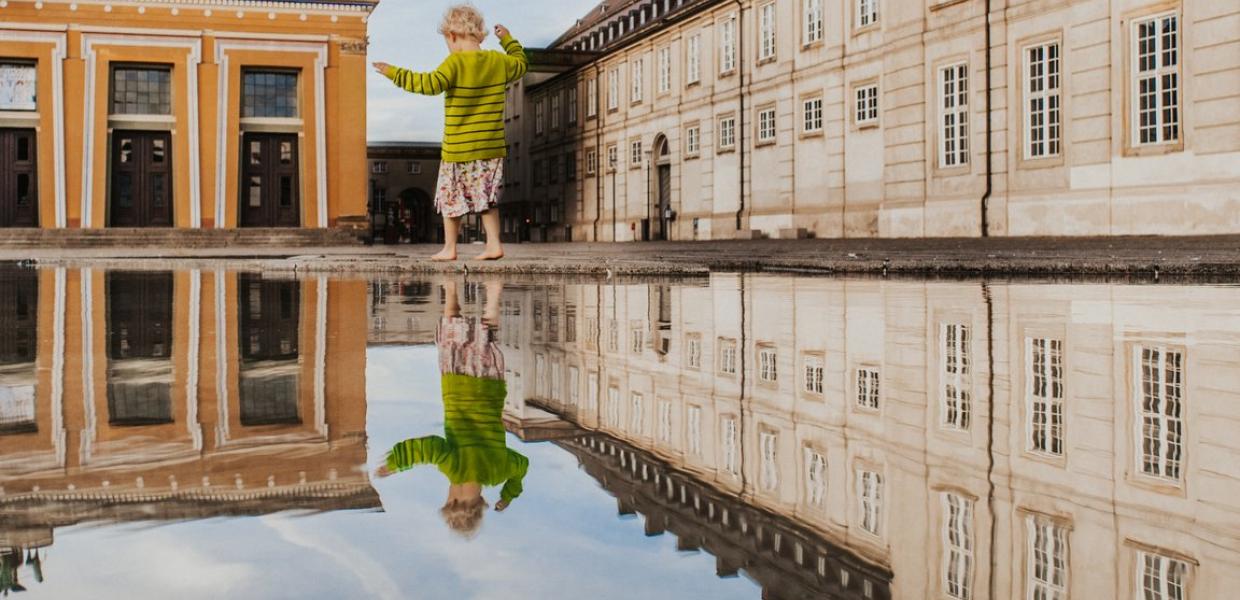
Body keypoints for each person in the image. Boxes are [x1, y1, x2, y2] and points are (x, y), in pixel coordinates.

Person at [372, 5, 527, 262]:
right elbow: (522, 64)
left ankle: (450, 248)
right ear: (480, 35)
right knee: (486, 198)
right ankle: (494, 244)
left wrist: (393, 73)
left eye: (447, 41)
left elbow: (427, 84)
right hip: (490, 147)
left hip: (458, 149)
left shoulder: (454, 63)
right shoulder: (499, 61)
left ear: (452, 36)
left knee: (450, 198)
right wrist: (508, 39)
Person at [375, 279, 527, 538]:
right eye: (449, 500)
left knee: (485, 340)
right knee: (451, 337)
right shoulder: (455, 471)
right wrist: (395, 463)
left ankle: (492, 294)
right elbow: (428, 449)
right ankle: (451, 289)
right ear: (456, 502)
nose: (448, 494)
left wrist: (508, 495)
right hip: (457, 389)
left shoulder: (497, 472)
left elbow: (522, 466)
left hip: (489, 391)